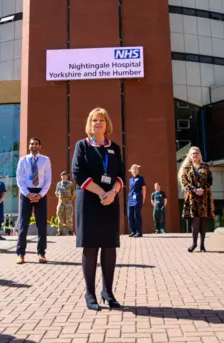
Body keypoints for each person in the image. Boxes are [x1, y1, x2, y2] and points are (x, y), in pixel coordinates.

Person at [72, 107, 125, 311]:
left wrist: (112, 193)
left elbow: (121, 174)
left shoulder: (115, 148)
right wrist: (100, 192)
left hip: (110, 201)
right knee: (91, 247)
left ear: (107, 123)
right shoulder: (82, 146)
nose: (97, 123)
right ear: (89, 123)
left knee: (109, 248)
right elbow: (77, 173)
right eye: (94, 120)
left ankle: (108, 292)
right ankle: (90, 294)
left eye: (101, 119)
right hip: (89, 201)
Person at [15, 137, 52, 264]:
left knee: (41, 225)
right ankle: (20, 254)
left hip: (41, 193)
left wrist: (40, 194)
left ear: (40, 146)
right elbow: (19, 179)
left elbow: (48, 179)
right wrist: (27, 194)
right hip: (26, 193)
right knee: (23, 224)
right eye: (31, 144)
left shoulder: (46, 160)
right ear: (29, 146)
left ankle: (41, 253)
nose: (33, 146)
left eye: (36, 144)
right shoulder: (23, 160)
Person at [179, 147, 214, 253]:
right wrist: (194, 190)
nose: (195, 155)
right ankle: (194, 243)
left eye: (197, 153)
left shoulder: (205, 166)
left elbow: (210, 181)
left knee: (203, 220)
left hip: (204, 196)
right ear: (190, 155)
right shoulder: (186, 168)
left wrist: (202, 189)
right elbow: (184, 182)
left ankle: (202, 245)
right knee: (195, 220)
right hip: (192, 197)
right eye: (193, 153)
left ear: (200, 155)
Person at [127, 164, 146, 237]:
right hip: (130, 198)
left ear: (137, 170)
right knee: (130, 215)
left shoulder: (141, 178)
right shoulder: (130, 180)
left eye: (135, 169)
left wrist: (143, 199)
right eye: (133, 169)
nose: (134, 170)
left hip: (138, 197)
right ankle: (133, 231)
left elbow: (144, 189)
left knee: (137, 214)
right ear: (131, 171)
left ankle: (139, 232)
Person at [55, 171, 76, 236]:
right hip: (60, 202)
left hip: (68, 202)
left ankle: (69, 231)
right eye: (62, 176)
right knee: (59, 216)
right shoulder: (58, 184)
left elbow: (74, 193)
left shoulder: (70, 184)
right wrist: (60, 199)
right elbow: (56, 192)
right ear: (61, 176)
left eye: (65, 176)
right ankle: (60, 231)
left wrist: (69, 199)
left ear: (67, 176)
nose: (63, 177)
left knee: (69, 217)